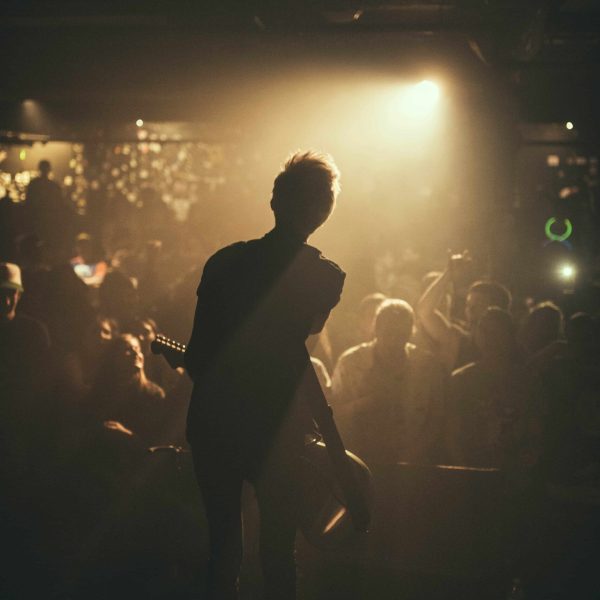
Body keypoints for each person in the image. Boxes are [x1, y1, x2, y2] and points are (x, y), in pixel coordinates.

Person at [184, 151, 344, 600]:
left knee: (223, 550)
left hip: (214, 422)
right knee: (277, 554)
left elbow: (197, 356)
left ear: (274, 201)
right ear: (324, 211)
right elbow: (302, 345)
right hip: (277, 430)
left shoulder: (222, 262)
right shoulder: (325, 276)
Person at [331, 299, 445, 465]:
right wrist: (365, 404)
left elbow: (436, 418)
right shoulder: (351, 362)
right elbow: (335, 414)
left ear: (410, 332)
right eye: (388, 332)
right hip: (359, 459)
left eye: (401, 334)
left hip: (413, 464)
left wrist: (412, 454)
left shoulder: (426, 365)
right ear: (376, 329)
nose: (393, 340)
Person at [416, 251, 512, 371]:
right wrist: (448, 273)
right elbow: (425, 312)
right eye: (468, 304)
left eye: (478, 304)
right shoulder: (460, 342)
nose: (470, 310)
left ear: (497, 309)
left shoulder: (516, 352)